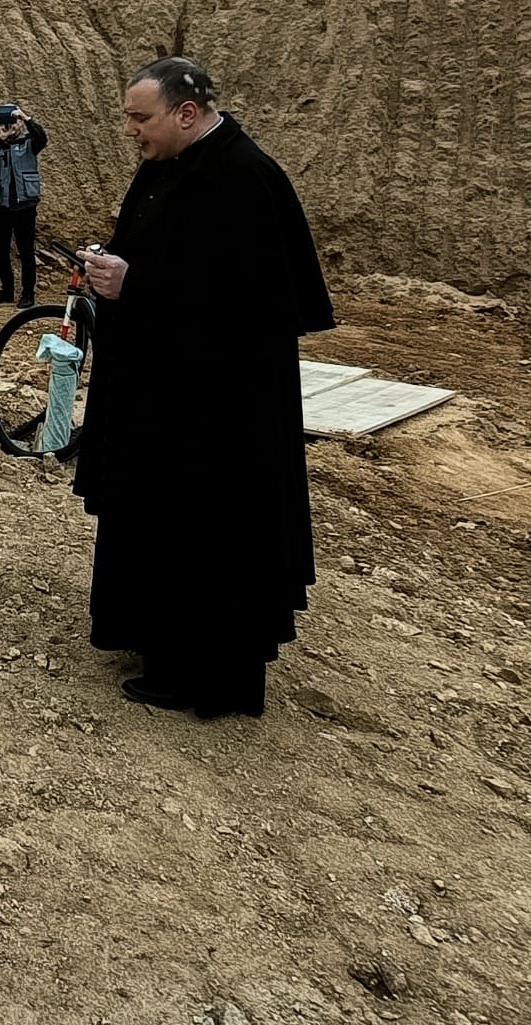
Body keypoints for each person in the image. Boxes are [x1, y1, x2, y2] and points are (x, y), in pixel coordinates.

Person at [72, 57, 334, 719]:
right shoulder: (172, 166)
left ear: (186, 113)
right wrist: (111, 269)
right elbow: (163, 254)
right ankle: (158, 644)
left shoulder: (243, 178)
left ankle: (203, 676)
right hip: (164, 397)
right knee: (160, 524)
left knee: (209, 536)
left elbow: (253, 308)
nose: (131, 130)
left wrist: (136, 285)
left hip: (219, 418)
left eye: (141, 117)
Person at [0, 101, 47, 307]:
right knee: (1, 251)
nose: (9, 126)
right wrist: (2, 139)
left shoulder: (30, 143)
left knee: (26, 251)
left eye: (13, 121)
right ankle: (7, 290)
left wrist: (26, 119)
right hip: (0, 207)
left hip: (24, 206)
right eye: (6, 123)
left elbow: (42, 138)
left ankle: (28, 293)